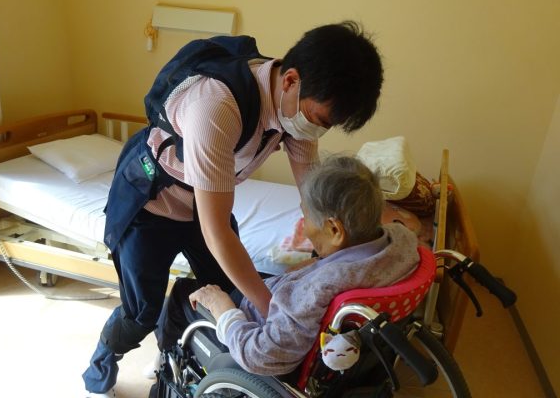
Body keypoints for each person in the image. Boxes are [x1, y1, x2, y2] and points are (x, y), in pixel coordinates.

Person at [83, 21, 383, 397]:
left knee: (230, 291)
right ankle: (100, 367)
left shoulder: (295, 113)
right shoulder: (216, 106)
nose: (317, 131)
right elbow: (217, 233)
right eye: (320, 121)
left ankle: (171, 353)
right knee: (141, 312)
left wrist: (342, 252)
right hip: (151, 207)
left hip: (204, 204)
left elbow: (314, 196)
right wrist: (275, 310)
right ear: (290, 80)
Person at [158, 155, 420, 376]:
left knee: (182, 293)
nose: (304, 228)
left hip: (253, 337)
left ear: (334, 230)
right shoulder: (401, 244)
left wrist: (224, 310)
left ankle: (166, 371)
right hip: (290, 309)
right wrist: (316, 263)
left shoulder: (318, 289)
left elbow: (262, 354)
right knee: (235, 282)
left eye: (306, 216)